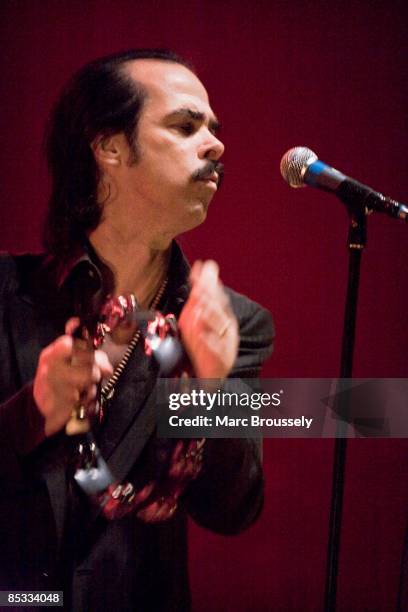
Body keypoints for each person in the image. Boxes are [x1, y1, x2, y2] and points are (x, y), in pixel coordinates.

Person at [0, 49, 274, 611]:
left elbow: (234, 509)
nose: (217, 144)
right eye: (185, 125)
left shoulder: (235, 323)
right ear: (109, 147)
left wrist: (208, 390)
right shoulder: (5, 293)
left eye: (214, 129)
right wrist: (33, 410)